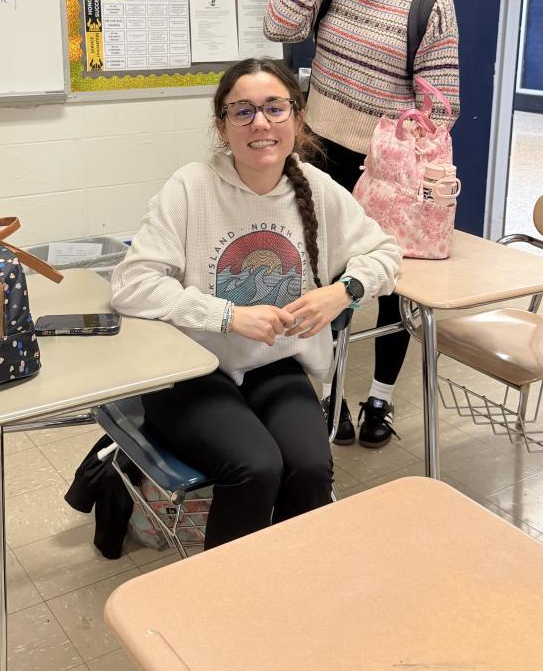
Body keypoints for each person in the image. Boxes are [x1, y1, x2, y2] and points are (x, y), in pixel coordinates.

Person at [111, 57, 401, 549]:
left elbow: (386, 254)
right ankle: (227, 592)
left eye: (274, 108)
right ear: (221, 126)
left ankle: (288, 579)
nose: (260, 123)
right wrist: (226, 316)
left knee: (310, 467)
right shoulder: (191, 187)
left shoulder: (316, 187)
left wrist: (343, 292)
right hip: (192, 369)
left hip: (276, 364)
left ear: (297, 119)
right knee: (256, 466)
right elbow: (132, 283)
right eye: (242, 111)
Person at [264, 0, 459, 449]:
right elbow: (278, 26)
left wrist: (395, 136)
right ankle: (328, 393)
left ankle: (380, 398)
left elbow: (441, 109)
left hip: (385, 171)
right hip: (317, 152)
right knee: (320, 278)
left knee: (390, 283)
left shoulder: (431, 1)